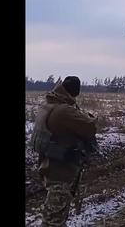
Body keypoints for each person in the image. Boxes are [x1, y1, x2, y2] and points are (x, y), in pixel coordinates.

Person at [31, 76, 98, 226]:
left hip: (50, 162)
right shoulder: (64, 110)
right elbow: (90, 127)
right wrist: (91, 117)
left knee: (57, 213)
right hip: (61, 169)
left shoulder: (49, 105)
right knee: (54, 217)